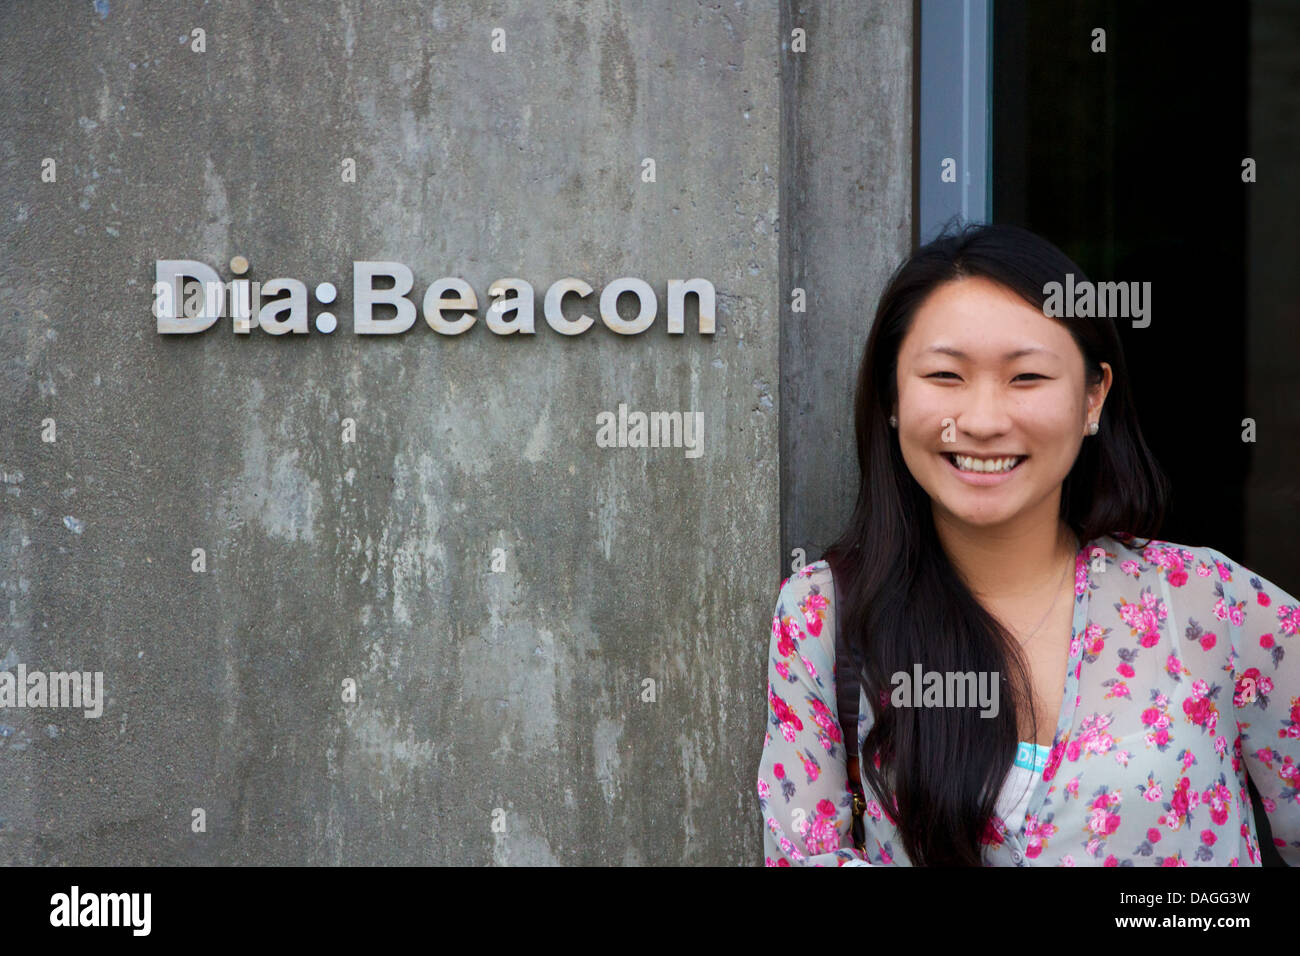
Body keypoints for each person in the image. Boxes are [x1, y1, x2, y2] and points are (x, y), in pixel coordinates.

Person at [756, 222, 1300, 866]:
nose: (983, 421)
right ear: (893, 397)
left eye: (1027, 378)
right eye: (945, 375)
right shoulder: (828, 613)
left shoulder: (1210, 603)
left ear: (1093, 397)